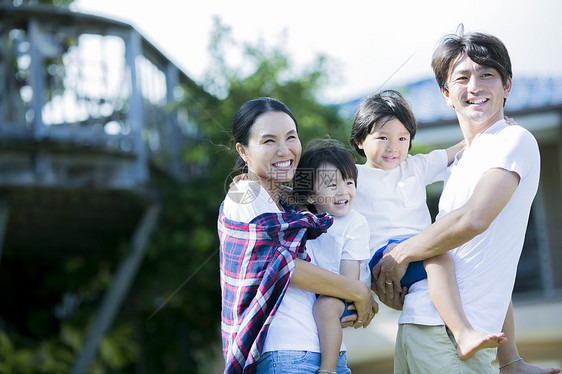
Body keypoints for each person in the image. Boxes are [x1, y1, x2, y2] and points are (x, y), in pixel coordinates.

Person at [372, 28, 561, 373]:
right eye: (462, 78)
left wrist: (400, 253)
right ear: (446, 93)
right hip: (422, 330)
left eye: (486, 74)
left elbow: (474, 220)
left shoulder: (513, 139)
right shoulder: (458, 163)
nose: (474, 86)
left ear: (507, 86)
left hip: (449, 340)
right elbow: (477, 260)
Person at [218, 97, 378, 374]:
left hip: (326, 354)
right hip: (286, 355)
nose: (284, 150)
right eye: (269, 141)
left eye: (291, 137)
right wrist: (357, 291)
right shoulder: (245, 194)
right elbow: (281, 265)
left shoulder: (291, 204)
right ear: (243, 151)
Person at [350, 89, 506, 360]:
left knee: (466, 264)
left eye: (402, 138)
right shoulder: (353, 175)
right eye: (382, 138)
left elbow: (459, 149)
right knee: (440, 257)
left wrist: (498, 129)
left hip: (418, 251)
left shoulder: (415, 166)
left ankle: (503, 353)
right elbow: (321, 194)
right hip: (383, 255)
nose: (393, 147)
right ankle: (462, 333)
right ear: (360, 141)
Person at [292, 139, 372, 373]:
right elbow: (283, 196)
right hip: (324, 288)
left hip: (346, 289)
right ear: (310, 196)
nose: (343, 191)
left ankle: (328, 369)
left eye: (348, 182)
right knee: (323, 306)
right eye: (332, 185)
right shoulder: (303, 218)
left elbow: (350, 280)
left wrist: (349, 297)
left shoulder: (354, 222)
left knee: (325, 308)